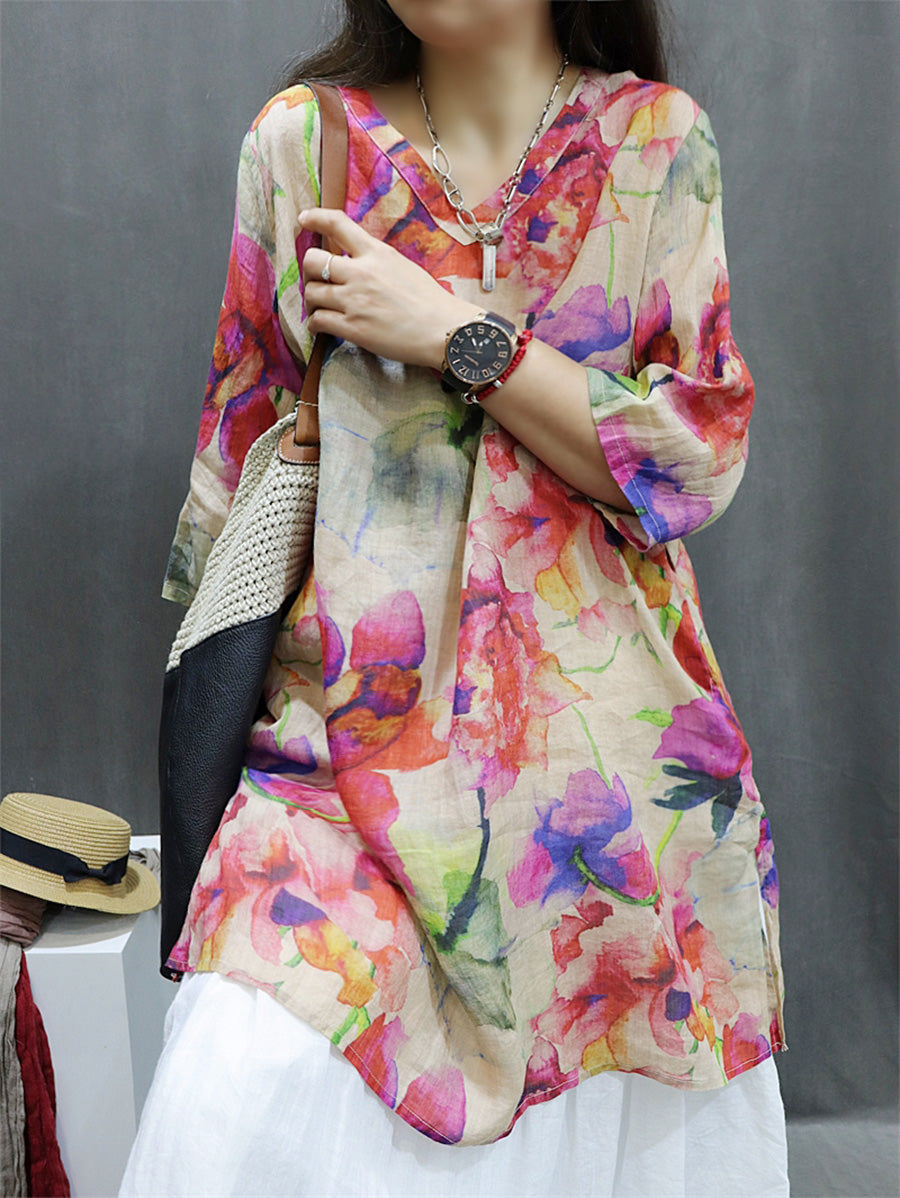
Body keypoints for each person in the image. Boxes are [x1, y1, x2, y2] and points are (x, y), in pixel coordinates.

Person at [122, 1, 790, 1194]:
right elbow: (238, 464)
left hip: (603, 769)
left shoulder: (655, 142)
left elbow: (694, 456)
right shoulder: (304, 144)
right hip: (342, 747)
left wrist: (453, 335)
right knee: (235, 1090)